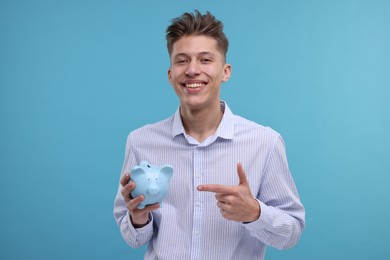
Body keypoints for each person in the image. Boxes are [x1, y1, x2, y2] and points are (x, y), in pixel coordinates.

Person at [114, 10, 305, 259]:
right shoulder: (140, 141)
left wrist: (255, 213)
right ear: (170, 74)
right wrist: (137, 217)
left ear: (225, 71)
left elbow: (291, 233)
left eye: (205, 60)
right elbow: (133, 238)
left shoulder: (265, 143)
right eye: (182, 61)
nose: (192, 70)